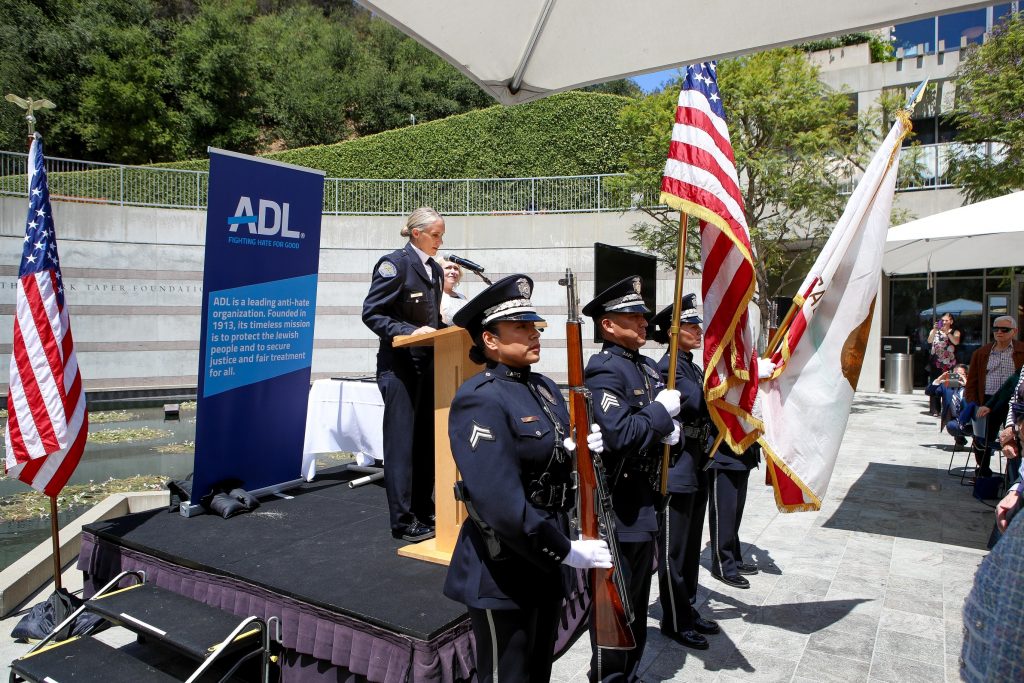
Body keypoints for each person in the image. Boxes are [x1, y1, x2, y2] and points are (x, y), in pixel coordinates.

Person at [443, 274, 611, 683]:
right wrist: (564, 550)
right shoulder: (479, 397)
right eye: (520, 327)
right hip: (505, 562)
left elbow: (549, 456)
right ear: (490, 340)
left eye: (534, 326)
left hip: (545, 555)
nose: (534, 334)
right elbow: (500, 504)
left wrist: (581, 450)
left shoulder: (545, 387)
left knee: (539, 671)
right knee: (509, 676)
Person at [582, 276, 681, 683]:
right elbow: (621, 435)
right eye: (633, 316)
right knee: (617, 604)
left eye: (643, 316)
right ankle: (608, 677)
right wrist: (659, 416)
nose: (644, 323)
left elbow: (645, 426)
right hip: (619, 506)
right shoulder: (605, 370)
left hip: (646, 501)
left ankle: (630, 672)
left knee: (638, 600)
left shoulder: (642, 366)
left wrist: (665, 428)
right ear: (608, 324)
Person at [361, 207, 445, 542]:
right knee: (402, 446)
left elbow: (434, 319)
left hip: (429, 366)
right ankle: (403, 519)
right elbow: (372, 313)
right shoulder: (394, 264)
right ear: (416, 233)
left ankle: (424, 509)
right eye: (436, 234)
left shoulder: (434, 270)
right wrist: (408, 331)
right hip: (400, 368)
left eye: (441, 234)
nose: (440, 241)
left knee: (426, 443)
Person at [648, 296, 720, 650]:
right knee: (674, 550)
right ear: (672, 332)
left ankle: (686, 608)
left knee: (690, 547)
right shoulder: (669, 367)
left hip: (695, 462)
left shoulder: (690, 365)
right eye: (690, 326)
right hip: (676, 468)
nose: (697, 330)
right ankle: (674, 619)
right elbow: (698, 402)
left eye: (697, 325)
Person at [967, 316, 1024, 478]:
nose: (999, 332)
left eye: (1004, 329)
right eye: (996, 329)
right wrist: (972, 403)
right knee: (983, 438)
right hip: (987, 400)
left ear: (1014, 331)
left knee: (1013, 438)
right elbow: (972, 381)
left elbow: (1013, 382)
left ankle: (1012, 475)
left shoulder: (1021, 350)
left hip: (1014, 404)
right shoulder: (982, 352)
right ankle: (982, 470)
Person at [924, 364, 973, 446]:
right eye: (955, 374)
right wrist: (938, 380)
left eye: (961, 375)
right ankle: (959, 439)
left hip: (972, 421)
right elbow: (929, 392)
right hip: (956, 419)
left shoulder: (972, 386)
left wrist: (966, 384)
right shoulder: (947, 386)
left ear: (967, 376)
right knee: (951, 426)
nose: (957, 377)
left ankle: (977, 440)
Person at [927, 313, 961, 416]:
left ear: (951, 321)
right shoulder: (935, 331)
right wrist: (934, 330)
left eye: (946, 320)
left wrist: (947, 333)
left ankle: (950, 409)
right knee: (935, 384)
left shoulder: (955, 332)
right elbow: (929, 340)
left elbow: (955, 342)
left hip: (950, 363)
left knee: (951, 386)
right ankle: (935, 410)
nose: (944, 322)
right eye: (943, 320)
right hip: (936, 363)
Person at [438, 258, 468, 325]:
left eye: (456, 268)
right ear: (438, 271)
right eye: (448, 268)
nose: (453, 271)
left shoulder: (462, 297)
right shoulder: (434, 296)